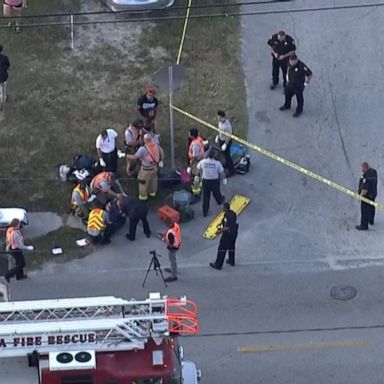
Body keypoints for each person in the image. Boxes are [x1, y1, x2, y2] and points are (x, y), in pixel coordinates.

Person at [126, 133, 164, 201]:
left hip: (146, 170)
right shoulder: (156, 146)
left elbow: (135, 157)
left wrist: (127, 155)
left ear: (144, 140)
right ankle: (152, 194)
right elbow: (162, 152)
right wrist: (161, 161)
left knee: (142, 183)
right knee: (153, 181)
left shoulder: (143, 149)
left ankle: (143, 197)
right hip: (155, 168)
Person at [197, 148, 226, 217]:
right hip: (214, 181)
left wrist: (197, 176)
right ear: (214, 156)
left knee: (206, 196)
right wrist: (224, 179)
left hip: (205, 181)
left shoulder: (203, 162)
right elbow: (222, 172)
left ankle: (205, 211)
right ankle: (220, 201)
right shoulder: (217, 163)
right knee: (216, 193)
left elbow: (198, 169)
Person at [210, 203, 239, 270]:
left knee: (222, 248)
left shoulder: (226, 216)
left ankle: (218, 264)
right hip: (234, 233)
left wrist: (219, 231)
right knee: (231, 246)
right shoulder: (233, 213)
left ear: (225, 209)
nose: (222, 209)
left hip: (228, 234)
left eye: (223, 208)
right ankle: (232, 261)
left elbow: (227, 227)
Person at [356, 162, 377, 231]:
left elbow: (365, 188)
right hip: (373, 193)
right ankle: (371, 220)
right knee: (371, 207)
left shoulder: (366, 175)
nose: (361, 169)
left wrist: (360, 196)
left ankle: (364, 225)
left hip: (366, 196)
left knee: (364, 210)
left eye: (362, 168)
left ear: (365, 167)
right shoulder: (374, 172)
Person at [216, 110, 235, 177]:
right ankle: (227, 164)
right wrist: (218, 136)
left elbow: (229, 136)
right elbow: (219, 130)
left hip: (226, 141)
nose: (218, 119)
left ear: (223, 117)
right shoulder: (220, 122)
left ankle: (232, 171)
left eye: (219, 117)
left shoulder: (227, 126)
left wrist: (226, 144)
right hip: (221, 139)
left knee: (227, 156)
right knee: (224, 154)